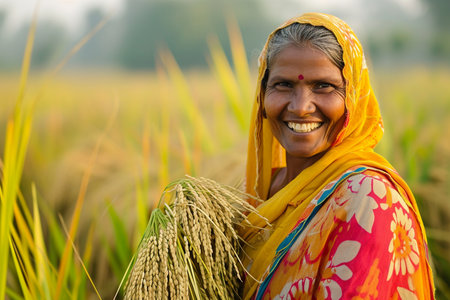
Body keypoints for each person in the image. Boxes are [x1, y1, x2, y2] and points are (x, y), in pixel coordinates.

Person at [239, 13, 435, 299]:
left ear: (353, 97)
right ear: (262, 96)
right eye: (283, 85)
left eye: (324, 86)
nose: (302, 107)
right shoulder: (258, 194)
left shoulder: (369, 198)